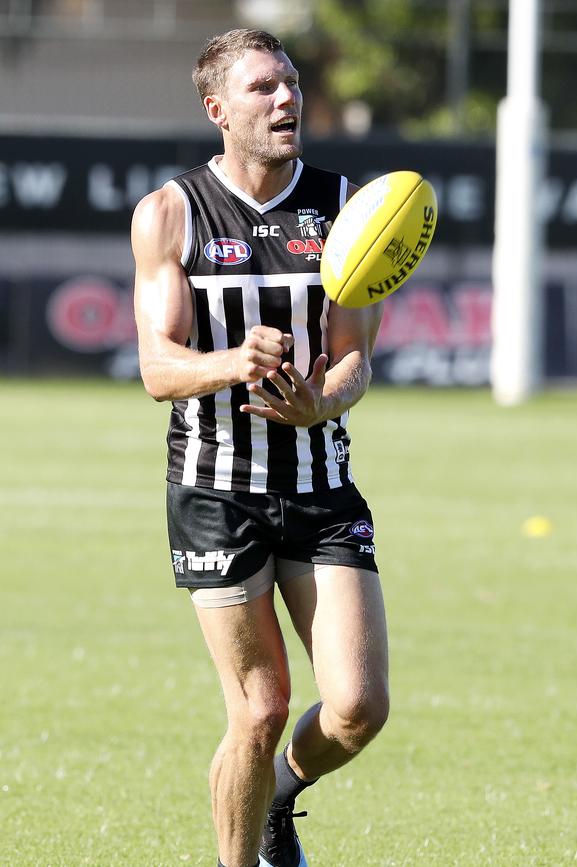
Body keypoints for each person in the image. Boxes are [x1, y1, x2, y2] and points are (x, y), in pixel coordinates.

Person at [131, 28, 389, 867]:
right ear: (217, 110)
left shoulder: (348, 207)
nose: (286, 100)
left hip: (321, 485)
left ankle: (277, 795)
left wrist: (324, 401)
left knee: (357, 706)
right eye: (262, 89)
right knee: (262, 707)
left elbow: (356, 357)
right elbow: (157, 368)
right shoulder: (171, 213)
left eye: (290, 83)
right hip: (217, 493)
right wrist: (230, 363)